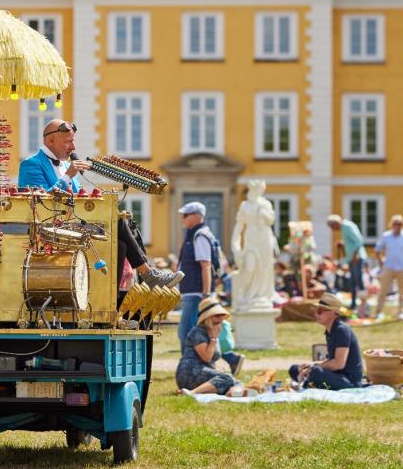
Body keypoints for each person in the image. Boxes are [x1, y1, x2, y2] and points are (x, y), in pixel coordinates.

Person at [17, 119, 180, 289]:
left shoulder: (67, 165)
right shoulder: (31, 164)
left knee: (121, 244)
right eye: (68, 142)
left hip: (72, 227)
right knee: (117, 221)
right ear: (51, 141)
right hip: (49, 231)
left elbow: (78, 198)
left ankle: (114, 298)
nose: (73, 147)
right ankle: (147, 273)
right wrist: (67, 177)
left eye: (73, 141)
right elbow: (39, 203)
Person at [288, 293, 364, 390]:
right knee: (294, 369)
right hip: (337, 375)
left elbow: (338, 364)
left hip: (350, 381)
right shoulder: (331, 330)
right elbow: (331, 361)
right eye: (316, 311)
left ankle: (305, 383)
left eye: (319, 311)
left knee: (315, 372)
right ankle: (306, 381)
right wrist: (311, 364)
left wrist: (314, 366)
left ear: (332, 313)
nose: (316, 314)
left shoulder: (341, 330)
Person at [176, 201, 220, 346]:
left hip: (197, 293)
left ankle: (187, 365)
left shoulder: (199, 236)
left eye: (186, 215)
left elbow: (205, 265)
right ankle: (229, 358)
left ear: (196, 216)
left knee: (186, 332)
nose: (183, 218)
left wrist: (206, 294)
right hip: (194, 292)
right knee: (202, 330)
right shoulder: (195, 234)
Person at [229, 180, 278, 309]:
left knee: (264, 270)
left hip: (265, 239)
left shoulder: (265, 204)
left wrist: (264, 214)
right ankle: (245, 295)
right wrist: (236, 247)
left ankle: (261, 297)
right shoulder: (244, 205)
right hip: (251, 240)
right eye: (257, 189)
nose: (258, 191)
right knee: (249, 268)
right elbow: (239, 226)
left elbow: (271, 220)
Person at [175, 298, 239, 395]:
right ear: (208, 317)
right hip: (189, 373)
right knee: (227, 378)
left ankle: (232, 393)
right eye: (217, 316)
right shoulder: (198, 332)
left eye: (222, 315)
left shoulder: (212, 331)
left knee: (235, 382)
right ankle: (192, 393)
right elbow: (207, 358)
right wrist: (214, 338)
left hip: (202, 373)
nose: (221, 319)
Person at [373, 215, 403, 320]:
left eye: (400, 224)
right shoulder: (386, 236)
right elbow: (377, 250)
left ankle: (400, 312)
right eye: (395, 224)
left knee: (402, 292)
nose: (397, 226)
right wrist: (380, 262)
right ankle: (379, 312)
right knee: (382, 290)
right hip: (388, 267)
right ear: (391, 225)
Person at [327, 214, 367, 314]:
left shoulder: (348, 226)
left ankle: (364, 305)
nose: (333, 229)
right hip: (351, 258)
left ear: (335, 223)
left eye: (332, 227)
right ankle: (354, 304)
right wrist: (343, 243)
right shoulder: (344, 228)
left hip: (356, 258)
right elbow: (351, 242)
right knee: (353, 282)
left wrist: (355, 254)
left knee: (359, 281)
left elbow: (358, 241)